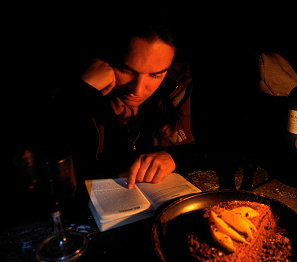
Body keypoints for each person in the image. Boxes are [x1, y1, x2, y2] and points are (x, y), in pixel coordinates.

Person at [49, 20, 194, 189]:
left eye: (155, 75)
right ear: (105, 61)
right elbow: (48, 166)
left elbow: (211, 148)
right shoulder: (68, 93)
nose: (138, 90)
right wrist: (82, 94)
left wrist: (173, 157)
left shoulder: (175, 87)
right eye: (126, 71)